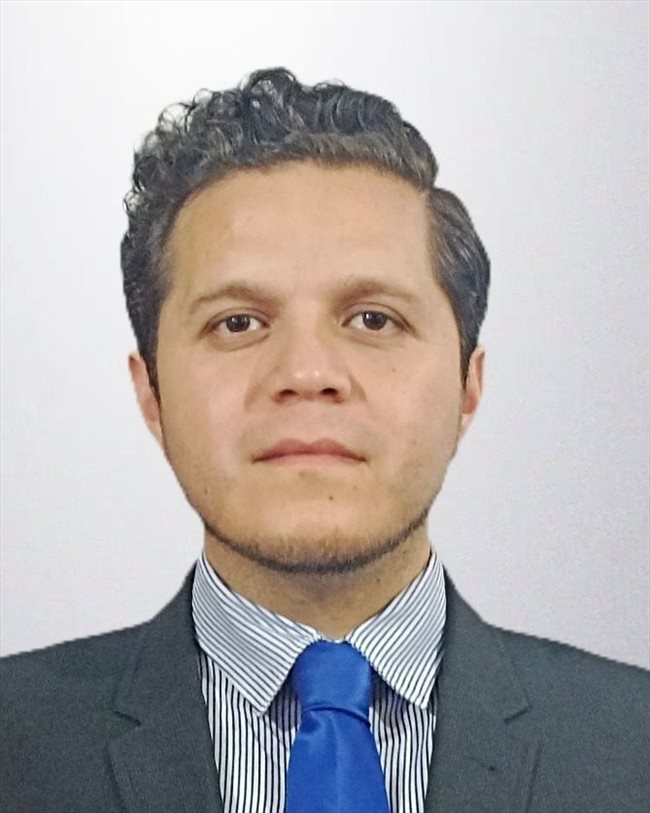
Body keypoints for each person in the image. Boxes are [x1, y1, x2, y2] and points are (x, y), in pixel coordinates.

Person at [1, 67, 648, 813]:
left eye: (374, 319)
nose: (307, 373)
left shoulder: (633, 745)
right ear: (151, 393)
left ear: (468, 386)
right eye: (237, 322)